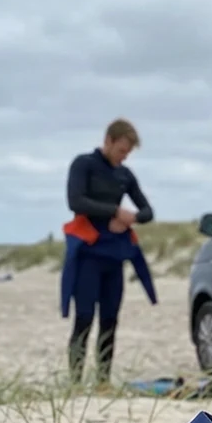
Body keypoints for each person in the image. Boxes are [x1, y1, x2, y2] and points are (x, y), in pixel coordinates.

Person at [62, 118, 156, 385]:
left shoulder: (124, 175)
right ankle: (75, 382)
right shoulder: (84, 165)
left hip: (113, 258)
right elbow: (75, 201)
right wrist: (114, 211)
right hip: (88, 255)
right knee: (83, 319)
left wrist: (131, 218)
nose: (123, 157)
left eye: (127, 153)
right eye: (120, 150)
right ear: (108, 141)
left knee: (110, 321)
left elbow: (148, 211)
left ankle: (103, 380)